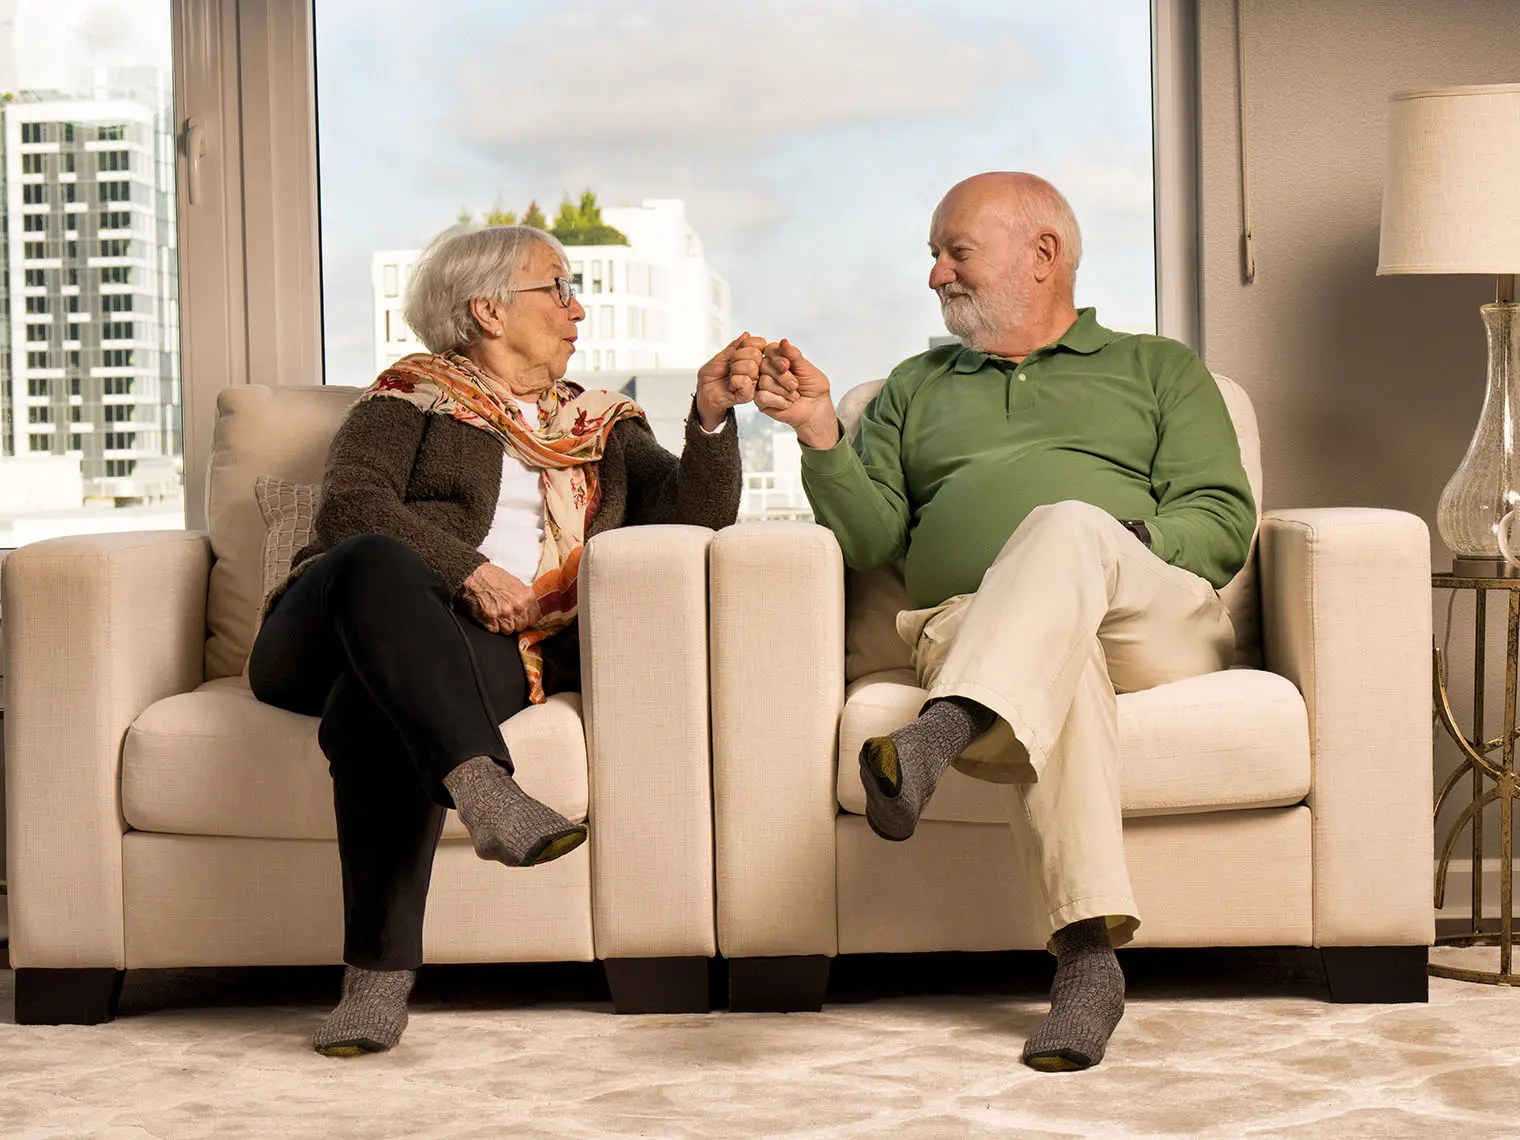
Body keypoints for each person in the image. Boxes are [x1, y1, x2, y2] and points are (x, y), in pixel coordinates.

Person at [754, 172, 1255, 1072]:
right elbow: (871, 542)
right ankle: (1088, 963)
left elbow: (1220, 522)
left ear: (1043, 255)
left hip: (1150, 616)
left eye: (956, 251)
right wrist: (821, 432)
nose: (936, 274)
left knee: (1064, 523)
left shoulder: (1158, 369)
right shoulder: (913, 387)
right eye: (933, 255)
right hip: (974, 621)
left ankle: (939, 732)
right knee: (1058, 676)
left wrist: (1105, 545)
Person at [248, 223, 757, 1057]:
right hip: (327, 629)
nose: (576, 309)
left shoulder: (598, 425)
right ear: (486, 308)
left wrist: (708, 415)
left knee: (376, 715)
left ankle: (376, 981)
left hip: (484, 649)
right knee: (377, 555)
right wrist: (469, 571)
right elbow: (351, 507)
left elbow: (692, 516)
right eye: (555, 288)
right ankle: (484, 786)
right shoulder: (405, 399)